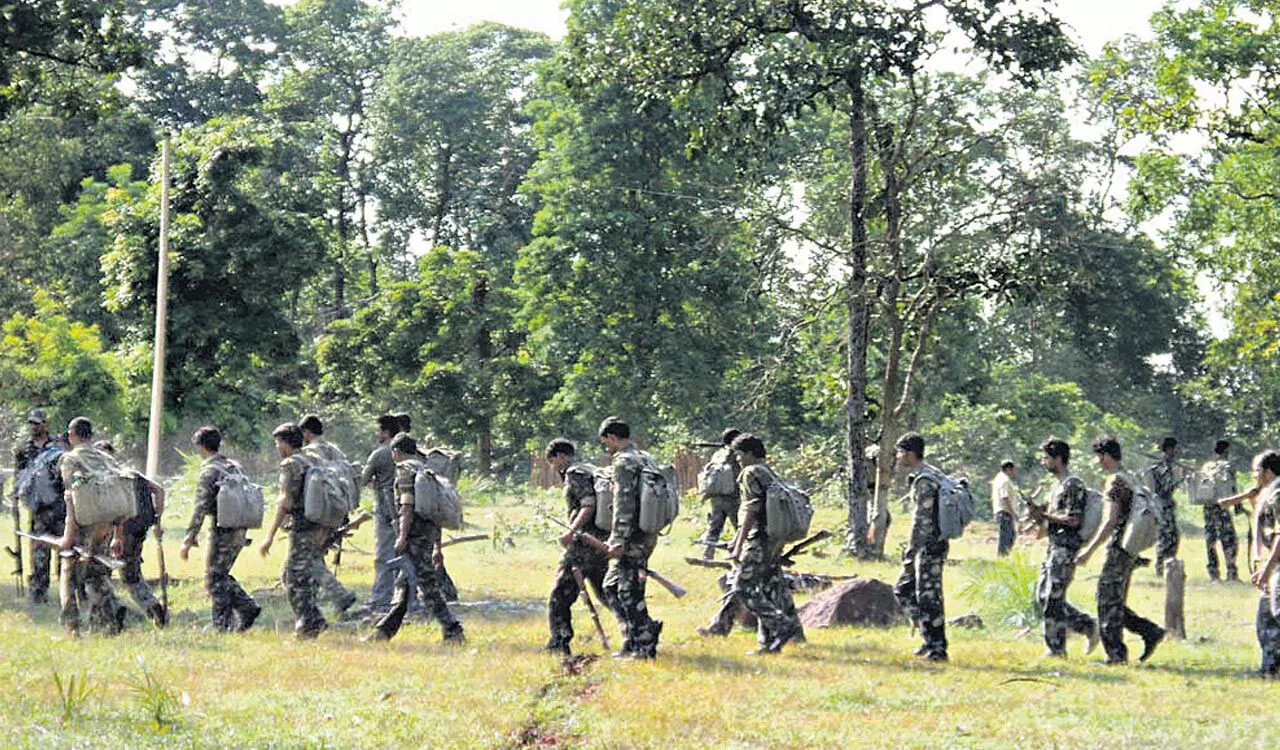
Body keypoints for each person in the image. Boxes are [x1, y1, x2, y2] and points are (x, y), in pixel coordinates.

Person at [364, 434, 465, 643]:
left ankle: (453, 629)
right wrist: (437, 546)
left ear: (396, 452)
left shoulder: (404, 471)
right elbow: (435, 514)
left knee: (426, 586)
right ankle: (384, 632)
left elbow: (407, 507)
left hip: (413, 535)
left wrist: (401, 536)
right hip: (426, 534)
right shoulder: (426, 470)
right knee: (404, 582)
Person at [1077, 436, 1165, 664]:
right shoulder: (1130, 478)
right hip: (1130, 548)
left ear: (1106, 456)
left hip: (1119, 547)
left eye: (1099, 457)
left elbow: (1110, 521)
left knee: (1106, 600)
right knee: (1113, 600)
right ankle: (1149, 631)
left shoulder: (1114, 482)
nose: (1098, 462)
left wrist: (1089, 550)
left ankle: (1116, 655)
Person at [721, 433, 803, 655]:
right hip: (775, 539)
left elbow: (750, 510)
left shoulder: (751, 473)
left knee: (743, 586)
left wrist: (737, 545)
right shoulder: (769, 472)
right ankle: (767, 644)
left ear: (748, 453)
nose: (737, 460)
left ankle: (782, 625)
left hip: (759, 539)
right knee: (767, 586)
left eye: (738, 455)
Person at [180, 426, 261, 632]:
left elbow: (201, 507)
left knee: (214, 578)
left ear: (201, 448)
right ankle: (246, 607)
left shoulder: (210, 471)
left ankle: (222, 624)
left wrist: (189, 538)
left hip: (222, 530)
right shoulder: (235, 467)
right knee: (220, 574)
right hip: (241, 528)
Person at [56, 417, 127, 636]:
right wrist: (118, 534)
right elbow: (118, 493)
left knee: (68, 575)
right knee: (96, 573)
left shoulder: (71, 460)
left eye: (70, 433)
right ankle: (109, 619)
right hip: (106, 525)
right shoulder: (106, 459)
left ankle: (72, 629)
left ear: (73, 435)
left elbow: (72, 496)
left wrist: (68, 535)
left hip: (83, 525)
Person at [1026, 439, 1098, 657]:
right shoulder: (1057, 486)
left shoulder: (1072, 484)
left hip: (1065, 548)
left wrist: (1045, 516)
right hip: (1054, 546)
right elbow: (1052, 518)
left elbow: (1073, 519)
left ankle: (1056, 649)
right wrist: (1038, 517)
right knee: (1042, 596)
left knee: (1053, 598)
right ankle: (1087, 625)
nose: (1043, 462)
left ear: (1058, 459)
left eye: (1046, 458)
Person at [600, 416, 663, 659]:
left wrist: (617, 539)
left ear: (612, 438)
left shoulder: (624, 462)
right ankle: (633, 638)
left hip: (633, 538)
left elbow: (623, 504)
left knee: (629, 591)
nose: (607, 447)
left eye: (606, 442)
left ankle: (645, 644)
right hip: (647, 532)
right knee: (611, 586)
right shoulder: (645, 458)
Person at [260, 422, 327, 639]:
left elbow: (285, 501)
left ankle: (308, 626)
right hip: (320, 525)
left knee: (294, 577)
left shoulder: (290, 465)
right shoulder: (312, 459)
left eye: (278, 443)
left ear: (286, 444)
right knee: (301, 575)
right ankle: (315, 620)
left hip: (304, 528)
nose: (277, 447)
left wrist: (269, 536)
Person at [544, 438, 610, 655]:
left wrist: (571, 531)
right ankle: (640, 630)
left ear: (560, 456)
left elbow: (588, 505)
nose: (553, 468)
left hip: (583, 543)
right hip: (600, 542)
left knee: (560, 594)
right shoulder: (590, 470)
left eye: (552, 462)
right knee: (606, 592)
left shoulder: (575, 473)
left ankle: (559, 641)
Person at [95, 440, 166, 627]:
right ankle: (153, 607)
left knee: (99, 573)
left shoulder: (107, 476)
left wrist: (115, 534)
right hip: (139, 530)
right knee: (131, 575)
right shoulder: (133, 474)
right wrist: (158, 519)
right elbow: (159, 490)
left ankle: (111, 613)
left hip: (119, 532)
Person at [892, 431, 949, 661]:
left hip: (929, 546)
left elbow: (921, 521)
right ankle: (929, 639)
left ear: (910, 454)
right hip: (934, 544)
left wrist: (910, 550)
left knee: (928, 596)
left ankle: (937, 648)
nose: (898, 457)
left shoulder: (925, 480)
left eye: (900, 453)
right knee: (908, 589)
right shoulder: (931, 474)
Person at [299, 415, 358, 616]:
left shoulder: (308, 453)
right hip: (337, 511)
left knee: (308, 557)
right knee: (317, 554)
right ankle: (318, 601)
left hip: (316, 513)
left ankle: (338, 594)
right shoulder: (337, 451)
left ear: (306, 432)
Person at [12, 408, 67, 603]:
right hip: (38, 509)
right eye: (32, 423)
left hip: (61, 507)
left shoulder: (59, 446)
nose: (34, 427)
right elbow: (18, 476)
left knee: (66, 551)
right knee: (39, 552)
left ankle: (68, 591)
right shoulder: (24, 450)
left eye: (37, 423)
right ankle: (38, 593)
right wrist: (16, 499)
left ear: (45, 424)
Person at [1239, 451, 1280, 677]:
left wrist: (1266, 568)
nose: (1254, 475)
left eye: (1257, 470)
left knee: (1277, 613)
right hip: (1273, 564)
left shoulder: (1278, 494)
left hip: (1277, 566)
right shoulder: (1269, 493)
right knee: (1265, 619)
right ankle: (1269, 669)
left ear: (1268, 471)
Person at [361, 415, 406, 612]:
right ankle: (408, 597)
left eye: (378, 431)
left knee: (383, 555)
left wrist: (374, 483)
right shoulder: (409, 450)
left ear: (386, 433)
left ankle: (381, 598)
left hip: (386, 512)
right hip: (408, 510)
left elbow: (363, 480)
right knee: (407, 554)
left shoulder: (379, 453)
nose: (376, 434)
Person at [1200, 440, 1240, 582]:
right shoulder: (1228, 467)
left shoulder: (1207, 467)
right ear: (1226, 451)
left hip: (1208, 508)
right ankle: (1231, 572)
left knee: (1211, 541)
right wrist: (1238, 507)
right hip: (1223, 507)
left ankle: (1214, 574)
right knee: (1229, 540)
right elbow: (1233, 487)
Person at [700, 428, 742, 560]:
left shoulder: (718, 454)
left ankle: (708, 554)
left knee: (714, 526)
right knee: (741, 527)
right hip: (732, 497)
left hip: (717, 497)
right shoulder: (736, 455)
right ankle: (740, 553)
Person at [1146, 436, 1185, 577]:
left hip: (1165, 506)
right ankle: (1161, 568)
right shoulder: (1163, 467)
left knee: (1171, 537)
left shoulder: (1167, 465)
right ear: (1169, 449)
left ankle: (1167, 566)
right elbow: (1163, 489)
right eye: (1174, 449)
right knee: (1167, 537)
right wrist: (1179, 478)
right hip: (1162, 506)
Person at [992, 460, 1018, 557]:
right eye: (1012, 469)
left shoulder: (999, 478)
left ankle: (1004, 556)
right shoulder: (1004, 480)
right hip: (1005, 512)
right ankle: (1002, 558)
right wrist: (1013, 513)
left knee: (1009, 536)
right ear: (1008, 468)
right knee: (1006, 538)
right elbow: (1005, 497)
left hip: (1002, 512)